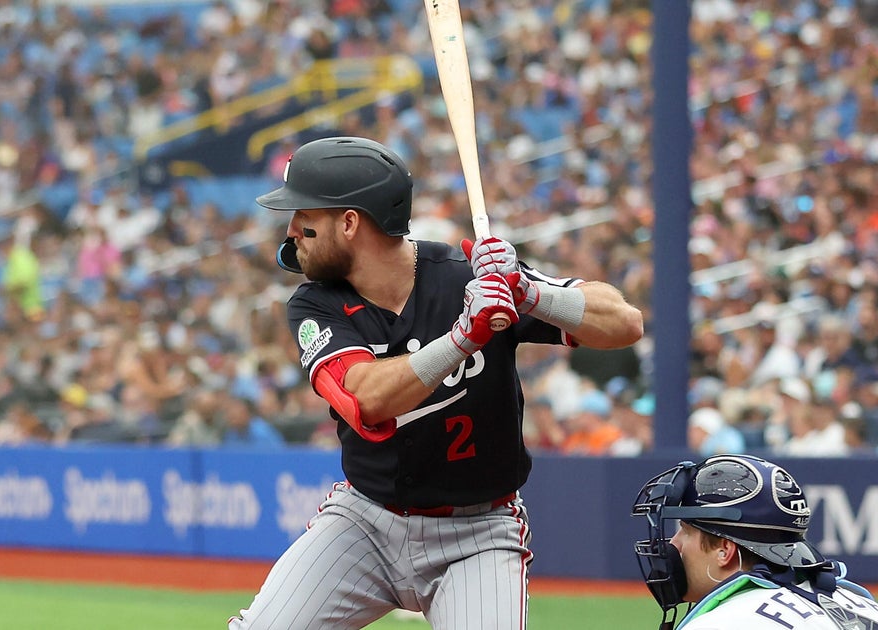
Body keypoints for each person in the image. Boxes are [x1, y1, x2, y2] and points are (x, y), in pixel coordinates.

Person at [230, 136, 642, 629]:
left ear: (349, 223)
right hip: (365, 521)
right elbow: (366, 397)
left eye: (305, 216)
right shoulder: (315, 303)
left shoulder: (459, 275)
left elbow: (624, 323)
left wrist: (529, 293)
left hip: (478, 532)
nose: (292, 228)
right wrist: (463, 337)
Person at [632, 454, 878, 630]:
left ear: (724, 549)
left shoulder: (723, 623)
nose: (675, 543)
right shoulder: (859, 601)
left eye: (685, 531)